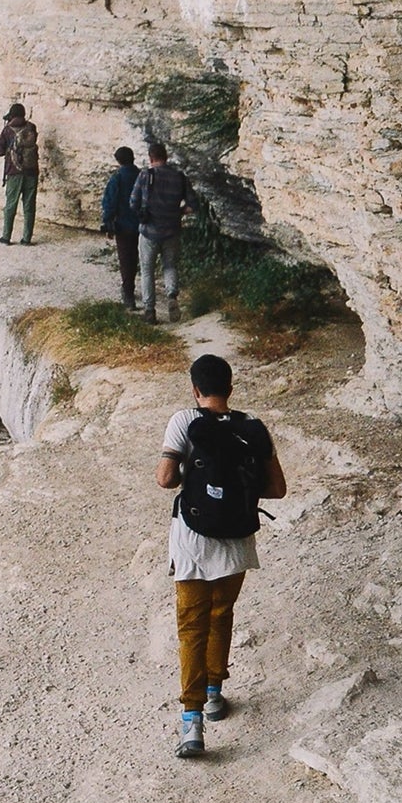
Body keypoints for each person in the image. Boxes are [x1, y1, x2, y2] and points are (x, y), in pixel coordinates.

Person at [157, 353, 286, 759]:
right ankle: (215, 694)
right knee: (221, 614)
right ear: (230, 388)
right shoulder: (253, 427)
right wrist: (237, 490)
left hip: (194, 540)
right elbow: (278, 489)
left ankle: (191, 723)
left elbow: (164, 479)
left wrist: (194, 479)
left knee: (191, 627)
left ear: (195, 390)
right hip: (237, 542)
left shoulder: (184, 421)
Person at [129, 140, 193, 322]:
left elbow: (132, 202)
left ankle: (150, 311)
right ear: (166, 157)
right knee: (170, 266)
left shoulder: (144, 175)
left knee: (147, 270)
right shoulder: (179, 177)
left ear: (151, 158)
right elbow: (192, 205)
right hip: (172, 230)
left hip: (149, 230)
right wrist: (177, 213)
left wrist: (143, 213)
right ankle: (172, 296)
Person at [98, 145, 141, 309]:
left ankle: (128, 294)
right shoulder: (141, 176)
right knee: (136, 257)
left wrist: (108, 224)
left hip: (123, 225)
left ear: (118, 161)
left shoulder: (117, 178)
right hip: (141, 224)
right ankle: (132, 287)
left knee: (125, 258)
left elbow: (110, 203)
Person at [0, 102, 40, 245]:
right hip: (32, 172)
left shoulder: (7, 130)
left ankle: (6, 237)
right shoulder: (32, 127)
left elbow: (0, 151)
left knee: (10, 205)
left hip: (14, 172)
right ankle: (27, 238)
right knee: (29, 206)